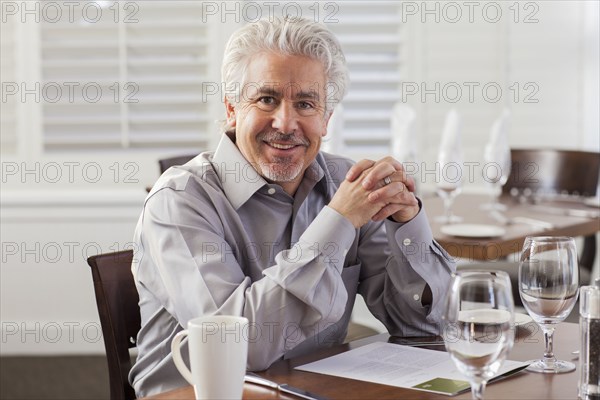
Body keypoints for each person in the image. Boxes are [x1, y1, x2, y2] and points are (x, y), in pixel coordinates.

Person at [129, 17, 455, 397]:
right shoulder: (178, 202)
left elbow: (423, 326)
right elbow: (239, 347)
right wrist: (338, 222)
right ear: (232, 109)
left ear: (326, 119)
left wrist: (407, 225)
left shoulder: (344, 183)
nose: (286, 123)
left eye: (305, 104)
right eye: (267, 99)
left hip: (310, 389)